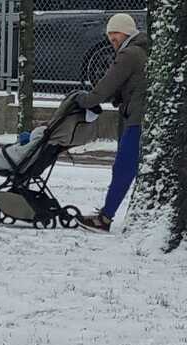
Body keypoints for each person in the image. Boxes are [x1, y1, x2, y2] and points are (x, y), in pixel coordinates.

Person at [75, 13, 147, 233]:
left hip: (138, 119)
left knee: (124, 167)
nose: (111, 39)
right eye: (109, 35)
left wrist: (85, 100)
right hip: (142, 117)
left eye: (115, 33)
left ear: (127, 32)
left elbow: (108, 83)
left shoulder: (129, 53)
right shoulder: (142, 50)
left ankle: (105, 218)